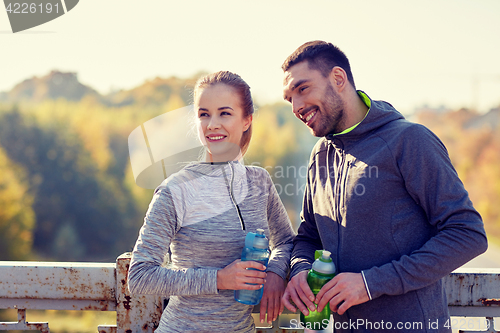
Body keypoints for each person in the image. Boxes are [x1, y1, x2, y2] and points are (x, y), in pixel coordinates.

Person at [280, 41, 488, 332]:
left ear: (338, 79)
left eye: (303, 89)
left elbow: (468, 234)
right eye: (290, 98)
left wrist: (370, 284)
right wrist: (300, 269)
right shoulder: (321, 155)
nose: (297, 106)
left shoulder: (410, 140)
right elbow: (309, 236)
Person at [128, 71, 295, 333]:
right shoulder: (176, 190)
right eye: (204, 114)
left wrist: (275, 272)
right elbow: (140, 276)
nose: (212, 124)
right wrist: (219, 279)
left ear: (247, 120)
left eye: (225, 113)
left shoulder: (260, 182)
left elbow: (285, 241)